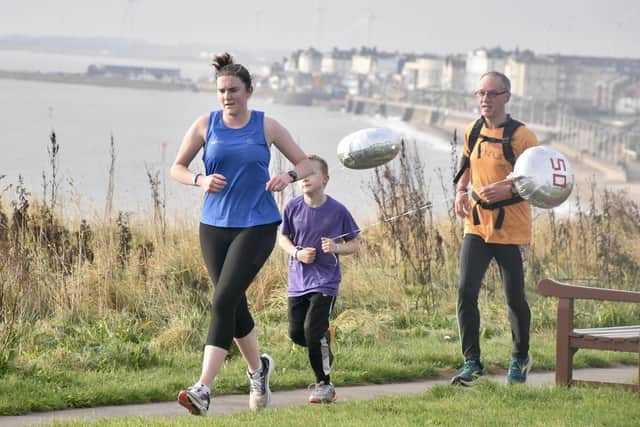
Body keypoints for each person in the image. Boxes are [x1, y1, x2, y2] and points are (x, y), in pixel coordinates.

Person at [170, 52, 313, 415]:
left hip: (258, 224)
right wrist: (200, 180)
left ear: (249, 91)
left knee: (222, 300)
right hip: (214, 226)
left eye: (233, 90)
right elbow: (177, 168)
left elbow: (306, 163)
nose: (227, 96)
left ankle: (202, 389)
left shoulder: (267, 126)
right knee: (232, 302)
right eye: (221, 90)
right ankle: (258, 370)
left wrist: (288, 178)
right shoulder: (206, 125)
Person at [451, 71, 539, 386]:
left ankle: (519, 357)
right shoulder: (473, 130)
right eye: (480, 93)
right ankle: (471, 363)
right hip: (475, 225)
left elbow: (536, 183)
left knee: (513, 297)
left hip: (512, 229)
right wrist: (461, 192)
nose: (485, 100)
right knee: (465, 291)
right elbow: (466, 167)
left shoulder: (523, 137)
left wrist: (508, 191)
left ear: (507, 97)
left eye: (492, 93)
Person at [278, 154, 360, 403]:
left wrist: (335, 248)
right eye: (301, 174)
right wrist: (297, 253)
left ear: (325, 179)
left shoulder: (337, 210)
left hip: (326, 281)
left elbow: (354, 244)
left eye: (310, 173)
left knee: (312, 331)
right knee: (297, 334)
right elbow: (283, 238)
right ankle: (324, 338)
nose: (304, 178)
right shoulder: (292, 207)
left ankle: (324, 385)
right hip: (298, 281)